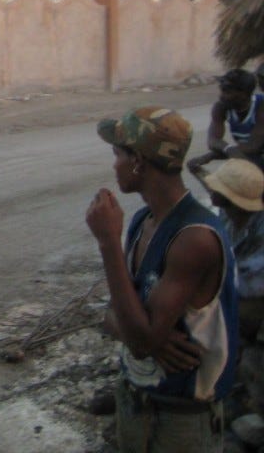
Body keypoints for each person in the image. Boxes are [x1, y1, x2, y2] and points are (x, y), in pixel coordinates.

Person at [87, 106, 237, 453]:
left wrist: (108, 243)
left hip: (181, 422)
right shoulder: (143, 221)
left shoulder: (194, 238)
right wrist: (146, 335)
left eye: (118, 154)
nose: (114, 165)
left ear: (138, 160)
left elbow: (138, 340)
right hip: (136, 401)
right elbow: (115, 317)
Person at [189, 158, 264, 342]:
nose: (212, 191)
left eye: (218, 188)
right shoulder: (229, 213)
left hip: (253, 298)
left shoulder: (259, 231)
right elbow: (209, 186)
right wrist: (197, 170)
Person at [187, 69, 264, 171]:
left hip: (258, 154)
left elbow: (253, 147)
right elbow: (213, 141)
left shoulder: (261, 106)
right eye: (222, 90)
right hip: (254, 156)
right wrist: (227, 149)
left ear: (244, 94)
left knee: (248, 166)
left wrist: (210, 156)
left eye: (227, 92)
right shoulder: (221, 108)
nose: (221, 96)